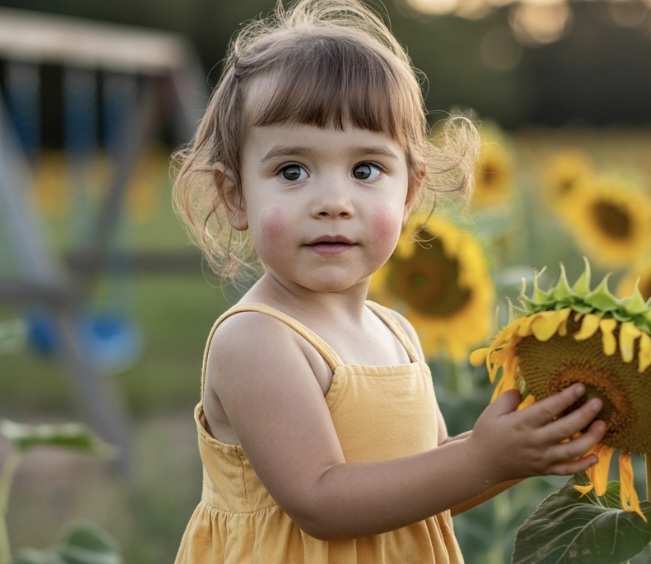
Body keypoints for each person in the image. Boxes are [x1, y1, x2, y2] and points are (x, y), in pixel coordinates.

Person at [172, 0, 607, 562]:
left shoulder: (394, 330)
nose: (332, 202)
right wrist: (482, 458)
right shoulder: (258, 341)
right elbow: (321, 501)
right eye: (292, 171)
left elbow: (418, 492)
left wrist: (514, 452)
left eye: (365, 169)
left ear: (408, 192)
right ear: (235, 197)